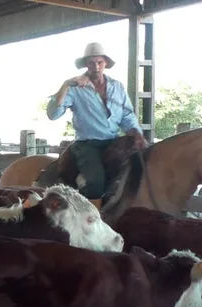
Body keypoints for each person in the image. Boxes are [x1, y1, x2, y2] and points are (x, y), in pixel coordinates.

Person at [46, 42, 149, 201]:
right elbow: (53, 114)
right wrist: (66, 85)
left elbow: (127, 116)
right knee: (96, 182)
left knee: (137, 171)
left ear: (106, 63)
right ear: (85, 64)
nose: (96, 66)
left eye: (99, 62)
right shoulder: (74, 88)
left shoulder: (117, 87)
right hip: (87, 144)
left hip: (113, 141)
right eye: (91, 62)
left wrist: (136, 133)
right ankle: (90, 213)